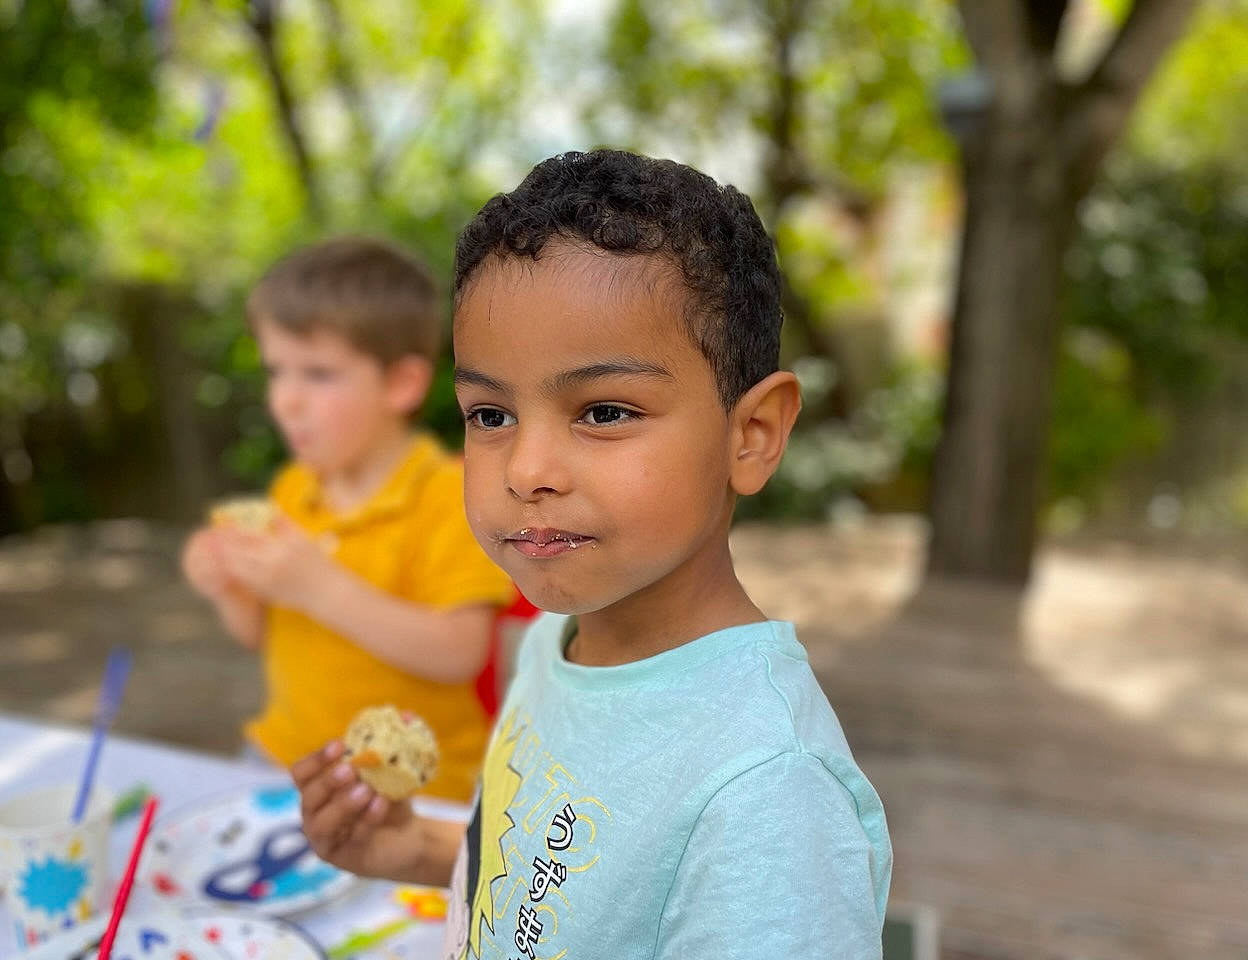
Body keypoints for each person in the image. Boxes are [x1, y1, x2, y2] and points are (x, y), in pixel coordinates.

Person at [291, 152, 892, 957]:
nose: (527, 471)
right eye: (490, 415)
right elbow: (574, 887)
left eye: (604, 412)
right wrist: (419, 853)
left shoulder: (765, 792)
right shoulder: (559, 640)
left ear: (751, 435)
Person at [181, 237, 514, 803]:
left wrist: (317, 586)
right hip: (288, 759)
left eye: (316, 374)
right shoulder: (295, 491)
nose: (285, 400)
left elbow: (460, 653)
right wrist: (228, 587)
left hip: (411, 788)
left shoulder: (447, 496)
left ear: (400, 384)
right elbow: (260, 634)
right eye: (277, 371)